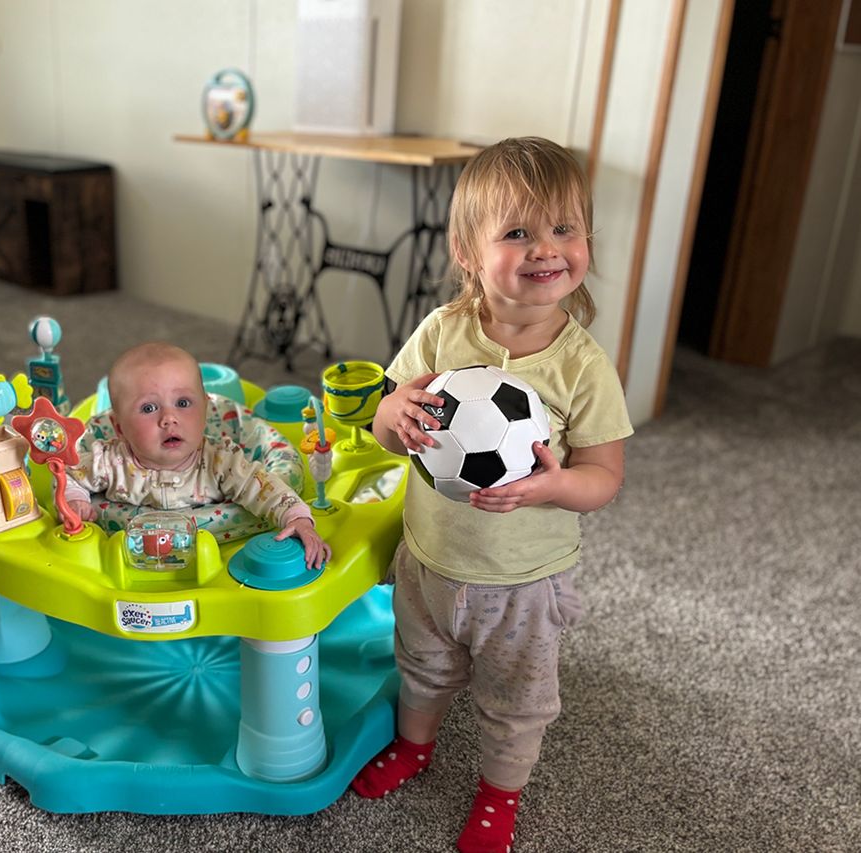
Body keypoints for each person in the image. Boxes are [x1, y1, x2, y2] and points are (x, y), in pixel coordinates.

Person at [350, 137, 633, 853]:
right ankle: (415, 746)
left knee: (516, 701)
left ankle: (499, 793)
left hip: (523, 583)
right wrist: (390, 414)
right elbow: (389, 428)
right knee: (421, 668)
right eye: (517, 232)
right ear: (467, 252)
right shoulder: (441, 333)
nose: (547, 249)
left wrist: (555, 484)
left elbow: (604, 475)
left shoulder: (582, 367)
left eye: (565, 228)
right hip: (431, 561)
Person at [64, 342, 331, 569]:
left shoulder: (220, 461)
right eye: (148, 408)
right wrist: (75, 501)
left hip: (221, 553)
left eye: (183, 403)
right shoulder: (109, 462)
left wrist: (297, 519)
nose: (169, 418)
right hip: (125, 557)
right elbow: (69, 475)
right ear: (119, 427)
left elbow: (263, 487)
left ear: (205, 408)